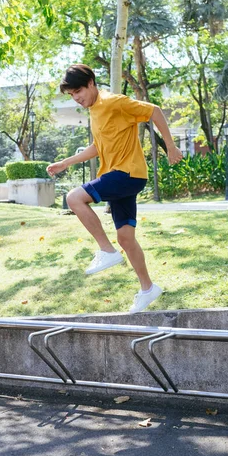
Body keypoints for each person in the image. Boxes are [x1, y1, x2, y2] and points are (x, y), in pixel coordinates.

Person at [47, 64, 183, 313]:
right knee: (126, 237)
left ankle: (106, 250)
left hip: (127, 173)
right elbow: (98, 147)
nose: (76, 98)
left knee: (74, 198)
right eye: (71, 95)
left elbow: (154, 110)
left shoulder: (113, 101)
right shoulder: (94, 111)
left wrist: (171, 146)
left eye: (78, 91)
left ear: (91, 83)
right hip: (120, 176)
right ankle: (148, 289)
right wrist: (65, 162)